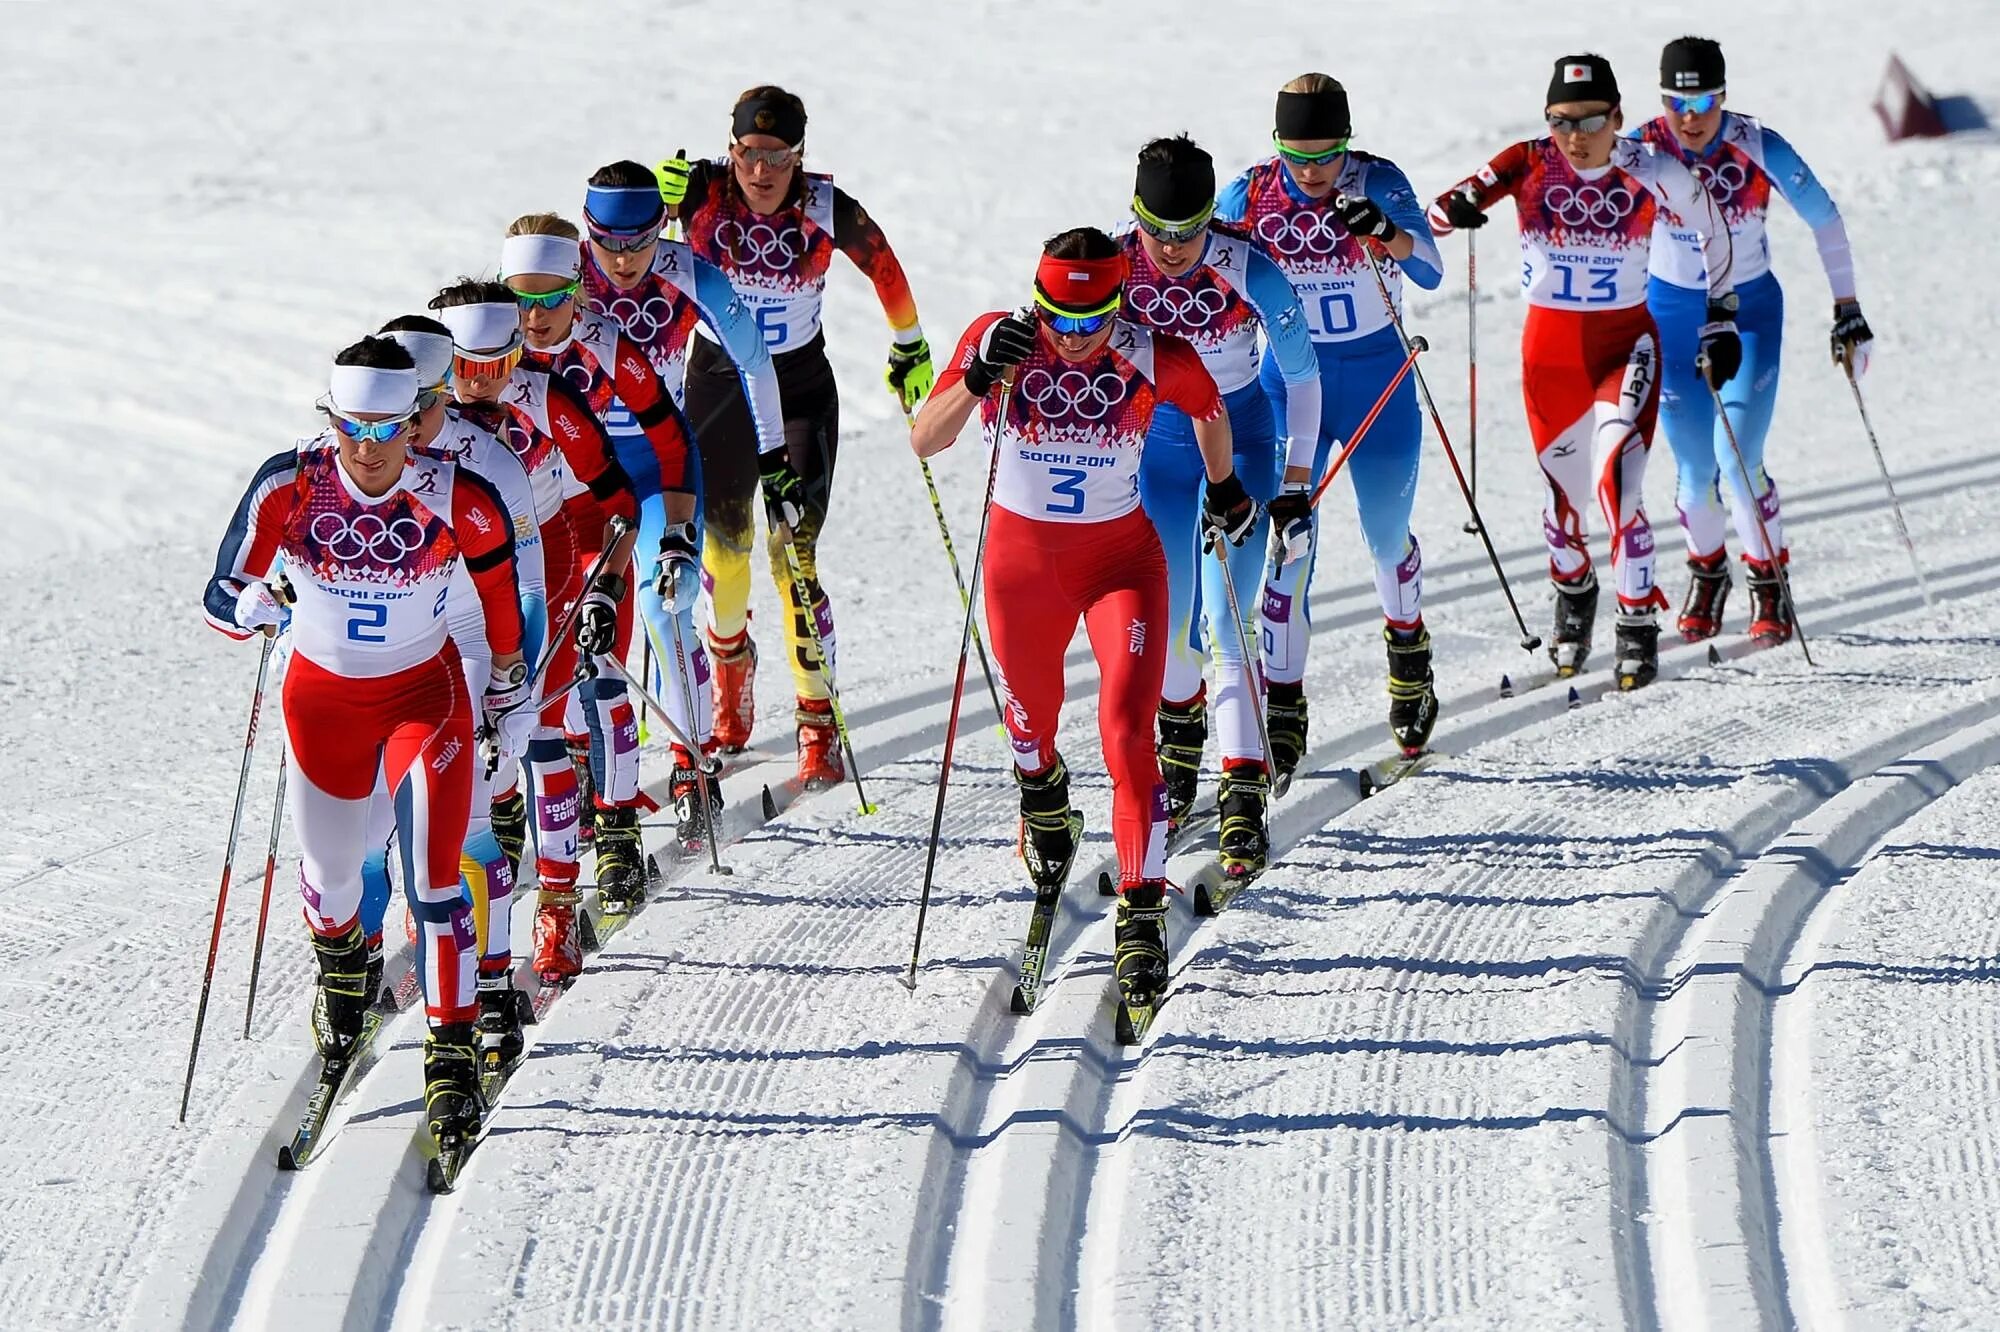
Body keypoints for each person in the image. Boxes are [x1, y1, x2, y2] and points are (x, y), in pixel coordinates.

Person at [908, 227, 1252, 1016]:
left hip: (1121, 566)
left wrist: (1224, 485)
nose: (1070, 339)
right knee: (1029, 722)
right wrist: (975, 377)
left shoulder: (1149, 352)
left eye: (1089, 322)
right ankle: (1042, 789)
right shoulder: (1000, 339)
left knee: (1129, 733)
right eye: (1057, 320)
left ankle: (1140, 907)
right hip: (1022, 574)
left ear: (1116, 305)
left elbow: (1209, 407)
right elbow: (926, 439)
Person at [203, 336, 530, 1147]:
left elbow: (504, 603)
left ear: (418, 421)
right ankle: (344, 990)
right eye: (355, 428)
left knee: (432, 880)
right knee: (331, 877)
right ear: (332, 420)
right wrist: (250, 610)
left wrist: (510, 693)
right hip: (322, 703)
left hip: (426, 698)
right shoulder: (292, 481)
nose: (372, 449)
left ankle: (452, 1059)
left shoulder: (463, 496)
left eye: (390, 429)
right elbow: (219, 588)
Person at [1429, 53, 1741, 688]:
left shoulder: (1650, 168)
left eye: (1592, 119)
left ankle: (1636, 622)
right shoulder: (1527, 160)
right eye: (1561, 120)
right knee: (1563, 505)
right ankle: (1574, 594)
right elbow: (1438, 213)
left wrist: (1722, 316)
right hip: (1549, 356)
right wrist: (1456, 209)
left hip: (1625, 346)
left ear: (1618, 118)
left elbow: (1713, 229)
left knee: (1618, 490)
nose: (1576, 134)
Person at [658, 85, 929, 785]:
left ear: (800, 156)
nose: (761, 171)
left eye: (777, 156)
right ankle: (731, 668)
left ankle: (816, 720)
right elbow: (629, 250)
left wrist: (910, 346)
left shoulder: (823, 206)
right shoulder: (699, 194)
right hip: (719, 387)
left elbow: (886, 267)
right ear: (732, 150)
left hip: (800, 389)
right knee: (724, 555)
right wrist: (658, 204)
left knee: (794, 559)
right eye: (749, 153)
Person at [1217, 73, 1445, 763]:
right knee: (1289, 547)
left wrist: (1389, 236)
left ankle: (1407, 646)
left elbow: (1431, 269)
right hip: (1286, 389)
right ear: (1277, 144)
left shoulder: (1376, 180)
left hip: (1378, 381)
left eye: (1328, 154)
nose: (1314, 171)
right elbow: (1197, 261)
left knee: (1384, 537)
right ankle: (1283, 699)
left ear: (1349, 141)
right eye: (1298, 155)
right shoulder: (1250, 193)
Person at [340, 315, 546, 1066]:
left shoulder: (485, 463)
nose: (414, 426)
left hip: (463, 642)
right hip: (386, 652)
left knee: (467, 826)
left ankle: (490, 988)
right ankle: (355, 971)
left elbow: (525, 590)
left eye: (427, 404)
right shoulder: (363, 460)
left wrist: (513, 688)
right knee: (362, 828)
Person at [1116, 133, 1320, 878]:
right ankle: (1180, 735)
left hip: (1241, 441)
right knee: (1166, 618)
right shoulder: (1114, 265)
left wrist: (1296, 482)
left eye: (1189, 231)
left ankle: (1241, 784)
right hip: (1158, 455)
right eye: (1157, 231)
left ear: (1213, 215)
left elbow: (1302, 379)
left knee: (1226, 614)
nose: (1172, 249)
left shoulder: (1249, 266)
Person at [431, 281, 639, 982]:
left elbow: (616, 501)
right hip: (448, 592)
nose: (485, 385)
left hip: (538, 576)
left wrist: (602, 582)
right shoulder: (419, 414)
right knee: (461, 758)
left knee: (541, 736)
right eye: (469, 367)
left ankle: (554, 905)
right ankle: (453, 903)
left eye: (501, 365)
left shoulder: (546, 399)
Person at [1638, 36, 1872, 644]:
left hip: (1748, 311)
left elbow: (1824, 216)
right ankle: (1708, 571)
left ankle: (1768, 577)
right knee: (1693, 472)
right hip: (1670, 314)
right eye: (1676, 102)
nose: (1689, 118)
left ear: (1724, 96)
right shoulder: (1640, 148)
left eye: (1704, 101)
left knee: (1736, 459)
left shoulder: (1755, 143)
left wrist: (1847, 306)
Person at [579, 160, 787, 838]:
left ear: (659, 228)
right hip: (576, 469)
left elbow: (754, 358)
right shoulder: (563, 277)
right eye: (608, 242)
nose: (623, 258)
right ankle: (581, 763)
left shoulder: (686, 270)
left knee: (669, 607)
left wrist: (774, 451)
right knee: (572, 621)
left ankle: (691, 761)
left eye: (638, 240)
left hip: (660, 460)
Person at [500, 214, 701, 883]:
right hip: (525, 533)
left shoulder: (606, 346)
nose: (534, 318)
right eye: (520, 301)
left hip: (604, 511)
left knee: (601, 659)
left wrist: (672, 531)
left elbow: (671, 442)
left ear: (578, 290)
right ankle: (535, 809)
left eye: (551, 299)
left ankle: (617, 830)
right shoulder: (487, 356)